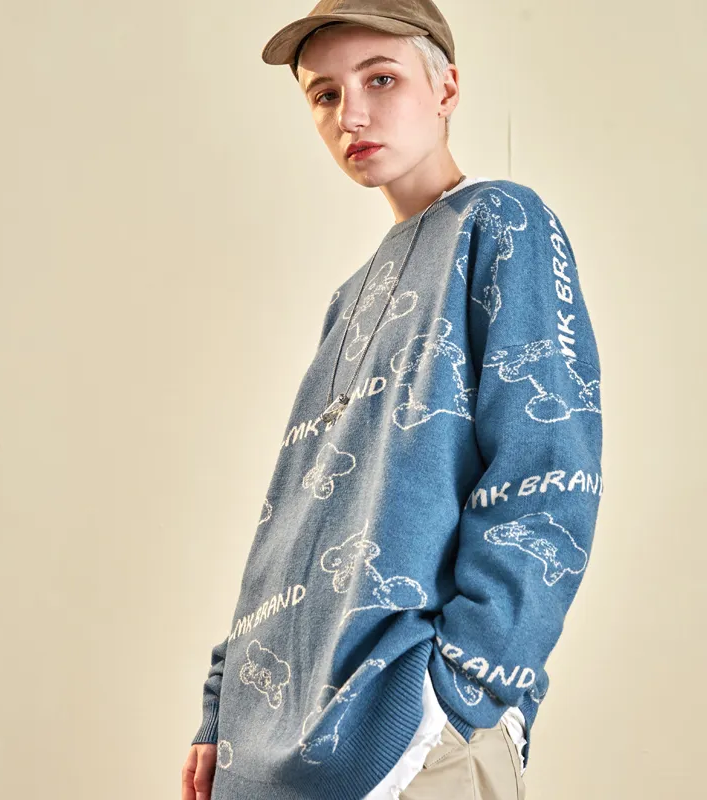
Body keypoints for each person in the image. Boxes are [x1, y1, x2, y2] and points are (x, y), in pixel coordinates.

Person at [182, 2, 603, 798]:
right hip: (274, 756)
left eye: (381, 79)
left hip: (411, 742)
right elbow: (295, 518)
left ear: (446, 89)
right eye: (325, 94)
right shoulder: (350, 299)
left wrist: (461, 692)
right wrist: (222, 706)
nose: (352, 115)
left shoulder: (501, 222)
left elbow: (548, 470)